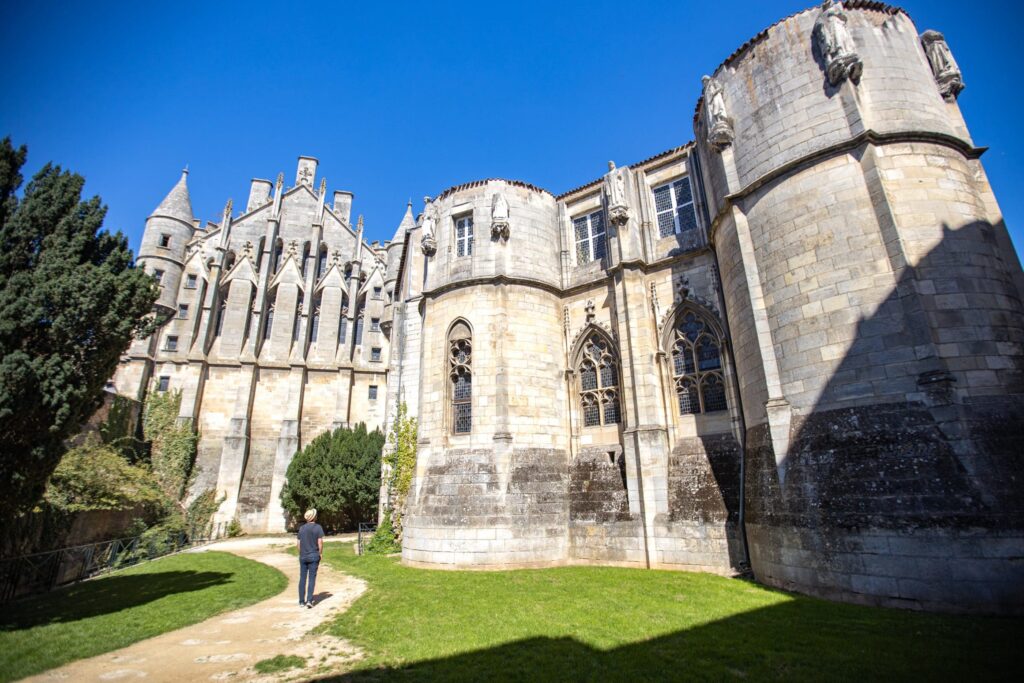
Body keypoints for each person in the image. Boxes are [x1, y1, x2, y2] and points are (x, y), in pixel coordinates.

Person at [296, 508, 324, 608]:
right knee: (312, 578)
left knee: (302, 578)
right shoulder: (317, 527)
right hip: (313, 556)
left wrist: (302, 553)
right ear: (314, 517)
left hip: (303, 556)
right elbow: (320, 542)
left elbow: (298, 544)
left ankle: (301, 601)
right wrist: (320, 553)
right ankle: (309, 600)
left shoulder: (302, 528)